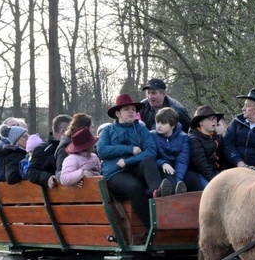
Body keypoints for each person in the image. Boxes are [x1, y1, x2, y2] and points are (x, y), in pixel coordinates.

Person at [97, 94, 162, 227]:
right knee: (135, 187)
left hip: (135, 167)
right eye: (127, 109)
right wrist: (129, 149)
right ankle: (153, 228)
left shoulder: (141, 129)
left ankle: (158, 193)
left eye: (133, 109)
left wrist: (129, 161)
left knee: (149, 161)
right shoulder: (108, 131)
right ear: (117, 113)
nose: (131, 111)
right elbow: (102, 150)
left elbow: (151, 150)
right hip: (114, 173)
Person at [151, 107, 198, 194]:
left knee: (194, 180)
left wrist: (178, 181)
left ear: (173, 125)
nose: (159, 125)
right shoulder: (152, 136)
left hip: (179, 169)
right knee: (168, 180)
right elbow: (151, 156)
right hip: (162, 169)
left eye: (163, 123)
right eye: (157, 122)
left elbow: (182, 160)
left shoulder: (183, 137)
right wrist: (163, 163)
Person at [27, 114, 73, 189]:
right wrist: (47, 178)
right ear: (64, 130)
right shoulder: (44, 149)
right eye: (73, 130)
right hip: (57, 194)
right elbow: (32, 172)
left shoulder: (76, 147)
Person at [188, 105, 226, 189]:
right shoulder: (194, 139)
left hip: (217, 172)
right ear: (201, 122)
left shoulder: (218, 137)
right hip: (200, 174)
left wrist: (225, 172)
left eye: (215, 119)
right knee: (211, 189)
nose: (214, 122)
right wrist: (215, 178)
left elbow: (223, 158)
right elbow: (201, 164)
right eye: (210, 119)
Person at [54, 113, 94, 181]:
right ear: (85, 129)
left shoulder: (89, 145)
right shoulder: (65, 148)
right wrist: (77, 177)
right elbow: (59, 173)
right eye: (91, 127)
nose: (93, 130)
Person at [0, 117, 28, 182]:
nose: (16, 127)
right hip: (6, 186)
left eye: (18, 125)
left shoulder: (16, 148)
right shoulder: (3, 149)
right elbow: (0, 175)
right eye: (13, 125)